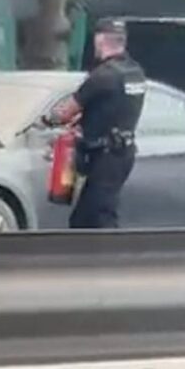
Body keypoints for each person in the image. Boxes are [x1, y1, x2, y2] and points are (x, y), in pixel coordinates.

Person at [48, 18, 146, 228]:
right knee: (84, 218)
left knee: (100, 216)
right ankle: (88, 259)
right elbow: (113, 107)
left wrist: (48, 118)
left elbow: (65, 112)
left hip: (106, 156)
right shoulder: (135, 72)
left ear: (100, 41)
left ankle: (111, 259)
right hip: (123, 153)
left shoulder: (104, 76)